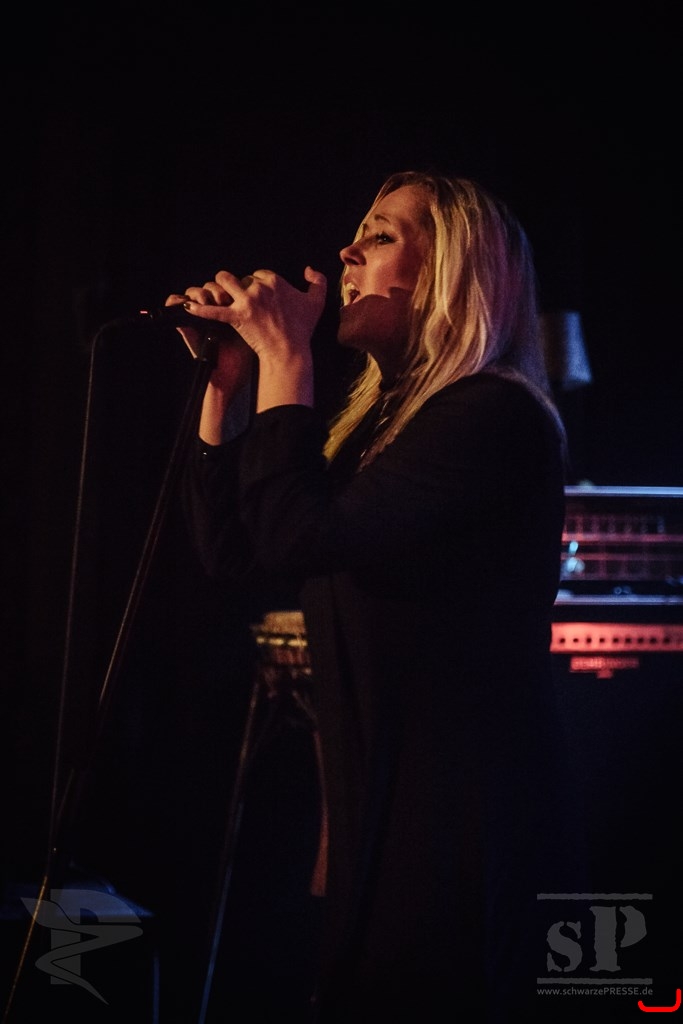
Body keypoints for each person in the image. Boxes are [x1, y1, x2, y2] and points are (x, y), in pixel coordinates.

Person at [171, 171, 585, 1022]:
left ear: (450, 274)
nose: (347, 251)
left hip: (461, 822)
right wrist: (228, 389)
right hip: (379, 806)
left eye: (383, 234)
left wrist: (288, 358)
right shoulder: (385, 430)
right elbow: (238, 555)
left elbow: (297, 536)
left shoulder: (491, 417)